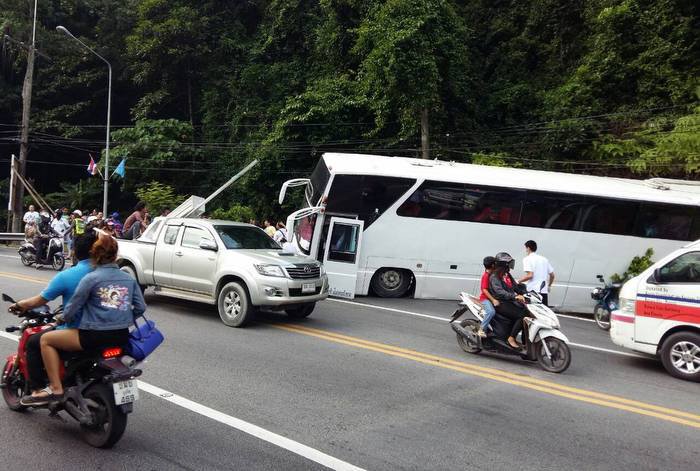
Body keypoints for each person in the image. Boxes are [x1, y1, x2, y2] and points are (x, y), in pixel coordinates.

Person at [20, 230, 145, 406]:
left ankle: (56, 389)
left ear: (94, 253)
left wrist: (61, 319)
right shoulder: (127, 278)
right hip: (121, 335)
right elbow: (141, 307)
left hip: (92, 336)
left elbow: (73, 307)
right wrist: (124, 320)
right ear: (116, 255)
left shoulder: (91, 278)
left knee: (45, 340)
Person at [8, 232, 97, 398]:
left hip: (80, 332)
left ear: (75, 252)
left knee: (34, 341)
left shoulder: (69, 275)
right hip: (112, 331)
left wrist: (19, 305)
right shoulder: (111, 273)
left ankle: (40, 389)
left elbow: (40, 301)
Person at [489, 252, 529, 350]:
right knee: (523, 315)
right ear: (504, 264)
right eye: (509, 263)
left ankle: (526, 342)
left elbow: (515, 286)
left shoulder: (507, 274)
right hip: (500, 303)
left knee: (528, 313)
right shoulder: (494, 276)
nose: (511, 266)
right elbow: (499, 292)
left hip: (509, 301)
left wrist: (526, 293)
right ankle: (511, 338)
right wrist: (515, 296)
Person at [517, 240, 555, 306]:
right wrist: (549, 286)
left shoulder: (527, 259)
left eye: (526, 248)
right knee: (543, 314)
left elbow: (530, 275)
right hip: (543, 291)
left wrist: (518, 281)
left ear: (528, 248)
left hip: (533, 292)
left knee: (530, 313)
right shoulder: (544, 259)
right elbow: (552, 275)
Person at [476, 256, 499, 338]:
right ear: (493, 265)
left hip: (491, 298)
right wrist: (493, 300)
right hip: (485, 299)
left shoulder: (493, 274)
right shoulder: (486, 276)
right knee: (491, 312)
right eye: (495, 263)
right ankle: (481, 330)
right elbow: (484, 290)